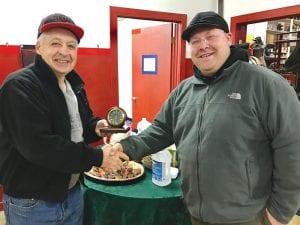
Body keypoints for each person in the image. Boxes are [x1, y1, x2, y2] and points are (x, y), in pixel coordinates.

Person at [110, 11, 300, 225]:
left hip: (247, 216)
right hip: (196, 213)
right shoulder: (184, 90)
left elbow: (292, 151)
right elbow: (160, 131)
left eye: (210, 36)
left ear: (228, 39)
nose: (203, 45)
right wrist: (125, 148)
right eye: (195, 41)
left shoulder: (267, 85)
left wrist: (280, 214)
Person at [0, 13, 128, 225]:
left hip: (72, 193)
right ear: (38, 48)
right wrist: (98, 158)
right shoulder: (19, 86)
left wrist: (97, 126)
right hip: (33, 203)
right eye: (55, 43)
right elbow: (39, 146)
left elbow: (79, 125)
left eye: (71, 46)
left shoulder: (73, 84)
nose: (64, 52)